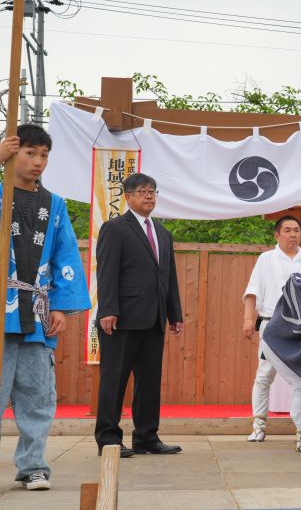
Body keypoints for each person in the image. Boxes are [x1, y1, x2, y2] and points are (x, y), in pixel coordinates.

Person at [0, 126, 91, 490]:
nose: (38, 162)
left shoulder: (55, 205)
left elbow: (66, 255)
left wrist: (61, 307)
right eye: (29, 153)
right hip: (2, 310)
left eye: (44, 155)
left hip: (37, 312)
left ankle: (33, 466)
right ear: (12, 153)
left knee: (37, 395)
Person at [94, 173, 183, 457]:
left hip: (154, 318)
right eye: (142, 191)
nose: (148, 196)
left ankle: (146, 437)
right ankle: (108, 438)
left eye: (152, 191)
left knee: (149, 382)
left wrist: (174, 313)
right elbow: (106, 272)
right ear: (128, 197)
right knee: (114, 380)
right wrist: (108, 310)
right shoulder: (115, 228)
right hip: (121, 319)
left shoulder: (163, 233)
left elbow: (168, 277)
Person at [242, 216, 301, 452]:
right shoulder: (266, 259)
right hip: (272, 327)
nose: (293, 234)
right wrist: (248, 320)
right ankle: (259, 425)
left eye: (296, 230)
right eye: (287, 230)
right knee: (265, 375)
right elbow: (253, 291)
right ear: (277, 235)